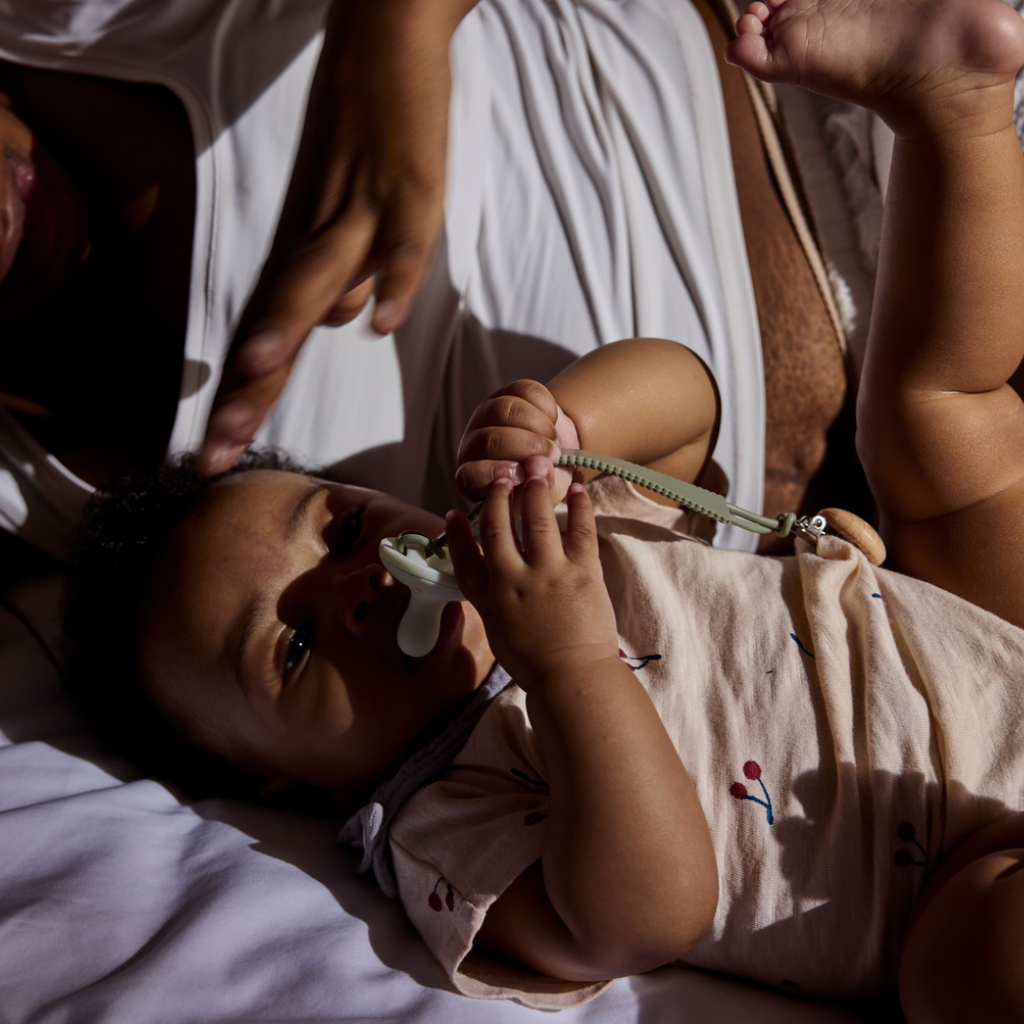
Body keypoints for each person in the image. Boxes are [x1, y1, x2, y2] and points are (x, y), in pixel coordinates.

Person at [62, 0, 1024, 1016]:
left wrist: (566, 423)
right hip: (965, 855)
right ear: (288, 786)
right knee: (962, 968)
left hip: (987, 630)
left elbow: (689, 404)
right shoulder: (442, 819)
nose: (358, 584)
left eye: (342, 527)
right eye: (293, 649)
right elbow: (643, 915)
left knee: (931, 426)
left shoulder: (543, 537)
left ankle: (951, 106)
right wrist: (570, 666)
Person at [0, 0, 852, 565]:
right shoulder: (29, 494)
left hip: (833, 131)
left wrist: (393, 22)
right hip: (849, 564)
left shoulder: (67, 22)